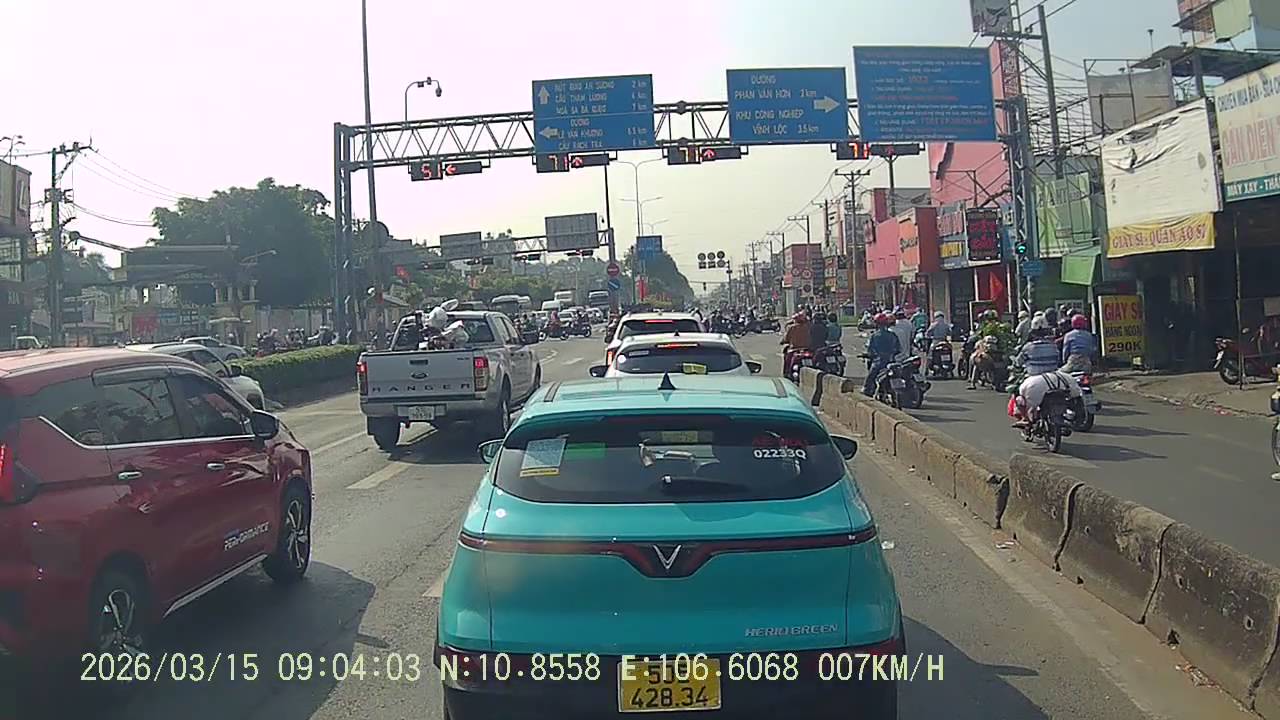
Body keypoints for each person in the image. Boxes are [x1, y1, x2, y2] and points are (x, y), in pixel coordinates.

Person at [863, 313, 901, 396]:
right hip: (891, 362)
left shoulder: (875, 335)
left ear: (877, 324)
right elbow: (898, 349)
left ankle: (867, 392)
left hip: (879, 362)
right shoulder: (892, 335)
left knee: (870, 379)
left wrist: (869, 354)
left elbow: (870, 350)